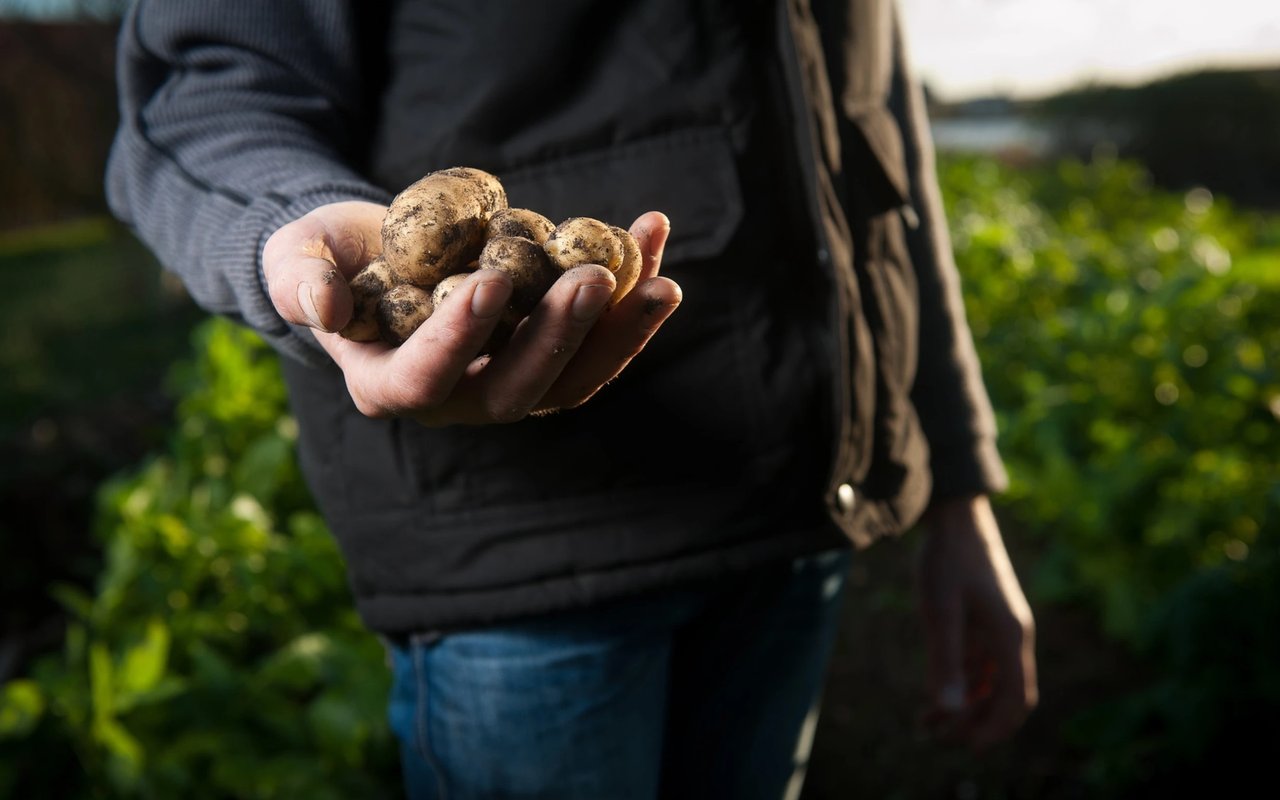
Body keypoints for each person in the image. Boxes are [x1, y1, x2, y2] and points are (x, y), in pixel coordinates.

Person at [106, 0, 1038, 797]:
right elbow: (202, 98)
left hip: (794, 521)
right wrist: (289, 229)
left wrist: (956, 482)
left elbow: (875, 137)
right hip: (525, 557)